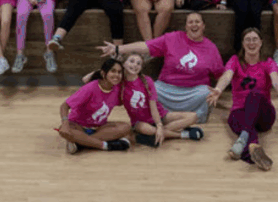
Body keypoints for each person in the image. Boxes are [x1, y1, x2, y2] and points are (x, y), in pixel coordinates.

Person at [97, 12, 225, 124]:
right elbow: (145, 46)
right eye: (190, 22)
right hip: (165, 89)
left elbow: (221, 74)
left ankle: (193, 118)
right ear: (186, 27)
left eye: (197, 22)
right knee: (149, 88)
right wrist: (118, 49)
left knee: (206, 93)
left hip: (193, 92)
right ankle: (166, 117)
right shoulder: (172, 38)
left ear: (203, 26)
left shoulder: (211, 48)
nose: (194, 25)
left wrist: (218, 90)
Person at [209, 28, 278, 171]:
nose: (251, 43)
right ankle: (253, 146)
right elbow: (227, 76)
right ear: (242, 43)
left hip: (264, 116)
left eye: (255, 39)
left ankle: (243, 139)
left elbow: (276, 79)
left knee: (253, 95)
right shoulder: (235, 60)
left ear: (261, 42)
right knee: (237, 121)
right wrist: (218, 89)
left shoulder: (268, 62)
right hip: (240, 112)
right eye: (248, 39)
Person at [120, 52, 203, 148]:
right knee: (146, 129)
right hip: (140, 122)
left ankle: (154, 134)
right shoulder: (120, 84)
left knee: (194, 116)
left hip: (160, 116)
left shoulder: (147, 81)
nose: (135, 65)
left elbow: (153, 106)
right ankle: (183, 134)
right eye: (131, 61)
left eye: (139, 63)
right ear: (123, 63)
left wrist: (159, 125)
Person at [57, 58, 132, 154]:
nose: (117, 75)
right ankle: (106, 146)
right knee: (64, 130)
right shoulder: (90, 88)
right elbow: (64, 106)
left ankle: (81, 143)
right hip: (79, 126)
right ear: (104, 73)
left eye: (119, 72)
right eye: (113, 71)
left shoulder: (117, 88)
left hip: (99, 128)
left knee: (125, 127)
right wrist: (64, 124)